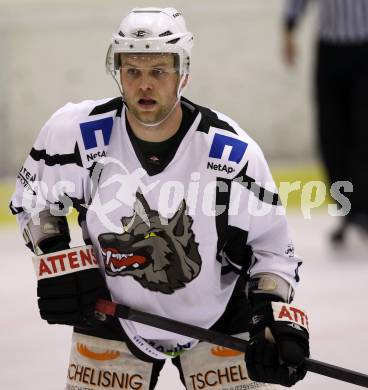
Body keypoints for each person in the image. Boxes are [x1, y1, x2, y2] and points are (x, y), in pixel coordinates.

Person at [10, 7, 309, 389]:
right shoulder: (76, 134)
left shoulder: (231, 153)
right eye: (132, 70)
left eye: (158, 71)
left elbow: (273, 250)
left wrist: (273, 319)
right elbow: (34, 198)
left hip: (218, 316)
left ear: (183, 73)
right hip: (110, 313)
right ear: (118, 71)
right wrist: (57, 257)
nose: (144, 84)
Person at [283, 0, 368, 245]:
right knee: (331, 135)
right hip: (330, 48)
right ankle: (348, 210)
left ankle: (363, 210)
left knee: (366, 131)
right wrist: (289, 28)